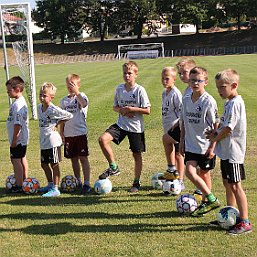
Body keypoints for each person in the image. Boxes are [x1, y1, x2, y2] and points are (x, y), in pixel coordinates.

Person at [206, 69, 252, 235]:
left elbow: (228, 129)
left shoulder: (235, 103)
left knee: (235, 185)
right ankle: (230, 216)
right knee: (227, 184)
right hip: (226, 152)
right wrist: (214, 134)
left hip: (233, 153)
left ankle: (245, 221)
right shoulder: (228, 102)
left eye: (222, 87)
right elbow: (223, 127)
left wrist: (215, 138)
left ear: (234, 85)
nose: (219, 90)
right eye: (217, 87)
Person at [98, 61, 151, 193]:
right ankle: (113, 167)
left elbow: (147, 110)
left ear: (136, 75)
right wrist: (121, 110)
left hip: (136, 128)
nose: (127, 76)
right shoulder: (119, 89)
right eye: (125, 73)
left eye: (129, 73)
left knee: (136, 154)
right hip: (121, 124)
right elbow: (115, 107)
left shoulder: (140, 90)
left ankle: (136, 182)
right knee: (102, 139)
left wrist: (132, 109)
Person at [179, 66, 220, 217]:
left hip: (205, 146)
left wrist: (213, 147)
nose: (195, 83)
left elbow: (216, 126)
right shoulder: (185, 99)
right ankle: (211, 199)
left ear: (206, 82)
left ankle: (205, 203)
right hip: (190, 144)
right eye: (192, 80)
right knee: (190, 171)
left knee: (204, 175)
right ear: (188, 82)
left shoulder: (208, 101)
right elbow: (184, 123)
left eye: (199, 81)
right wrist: (182, 141)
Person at [38, 82, 73, 197]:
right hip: (44, 141)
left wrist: (58, 123)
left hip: (53, 141)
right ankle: (50, 184)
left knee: (54, 164)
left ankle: (56, 189)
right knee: (44, 164)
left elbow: (69, 115)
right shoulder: (39, 108)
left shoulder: (53, 109)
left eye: (44, 95)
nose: (42, 97)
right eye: (40, 95)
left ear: (51, 97)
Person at [60, 74, 91, 194]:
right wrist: (61, 132)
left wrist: (77, 92)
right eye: (68, 84)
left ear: (78, 85)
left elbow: (84, 104)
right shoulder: (63, 101)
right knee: (73, 159)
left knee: (83, 158)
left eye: (72, 84)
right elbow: (62, 118)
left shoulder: (81, 96)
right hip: (69, 134)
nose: (70, 86)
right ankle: (78, 180)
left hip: (80, 133)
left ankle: (87, 183)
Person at [160, 67, 184, 188]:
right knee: (173, 152)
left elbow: (181, 111)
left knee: (179, 154)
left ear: (174, 79)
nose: (164, 81)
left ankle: (180, 179)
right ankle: (173, 172)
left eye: (167, 79)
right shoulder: (164, 93)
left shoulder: (176, 93)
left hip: (176, 128)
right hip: (168, 127)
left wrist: (178, 125)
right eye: (163, 78)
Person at [6, 76, 29, 193]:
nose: (8, 93)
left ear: (18, 89)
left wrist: (14, 140)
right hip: (20, 139)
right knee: (21, 159)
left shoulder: (18, 105)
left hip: (18, 139)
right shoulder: (18, 102)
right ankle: (24, 181)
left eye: (9, 90)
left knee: (16, 161)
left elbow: (17, 124)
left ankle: (20, 185)